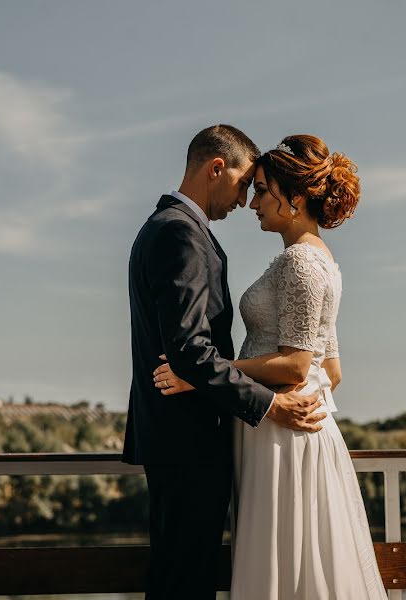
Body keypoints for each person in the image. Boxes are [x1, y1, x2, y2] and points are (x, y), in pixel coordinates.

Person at [154, 134, 388, 598]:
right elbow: (330, 371)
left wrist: (204, 375)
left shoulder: (299, 262)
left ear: (295, 198)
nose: (253, 202)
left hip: (281, 435)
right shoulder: (322, 260)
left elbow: (299, 365)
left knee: (281, 558)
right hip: (296, 427)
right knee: (300, 558)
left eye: (262, 190)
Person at [122, 124, 326, 600]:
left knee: (180, 576)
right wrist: (270, 407)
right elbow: (190, 351)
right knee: (185, 582)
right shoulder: (181, 234)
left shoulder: (171, 228)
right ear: (217, 168)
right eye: (242, 185)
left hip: (176, 439)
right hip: (186, 441)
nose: (244, 201)